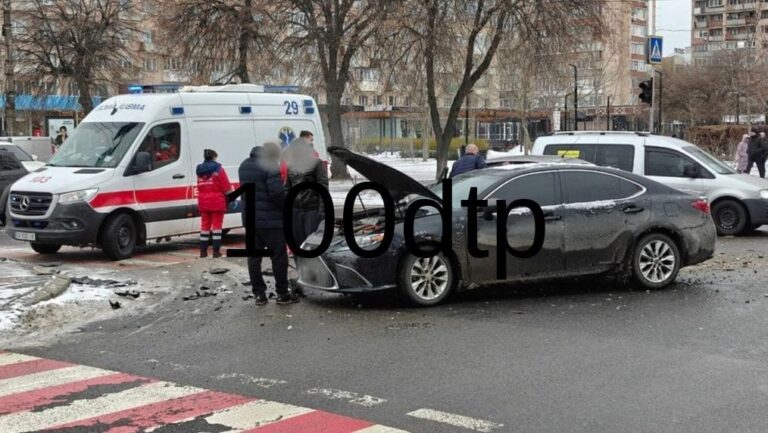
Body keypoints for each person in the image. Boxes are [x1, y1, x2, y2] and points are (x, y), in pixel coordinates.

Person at [239, 142, 298, 306]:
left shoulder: (244, 165)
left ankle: (259, 294)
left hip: (251, 220)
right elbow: (276, 192)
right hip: (271, 221)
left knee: (254, 258)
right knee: (278, 257)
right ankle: (282, 294)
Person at [284, 136, 328, 248]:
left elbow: (323, 187)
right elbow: (287, 188)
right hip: (296, 209)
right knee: (297, 242)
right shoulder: (291, 166)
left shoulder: (316, 163)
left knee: (311, 243)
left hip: (312, 209)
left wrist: (322, 210)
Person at [196, 149, 232, 258]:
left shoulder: (199, 170)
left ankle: (203, 252)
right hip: (217, 201)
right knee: (217, 227)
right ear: (213, 157)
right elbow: (226, 188)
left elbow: (200, 186)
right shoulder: (219, 170)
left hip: (203, 201)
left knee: (204, 227)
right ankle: (216, 252)